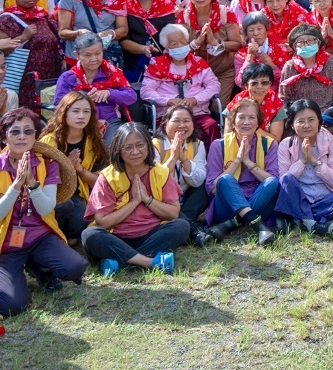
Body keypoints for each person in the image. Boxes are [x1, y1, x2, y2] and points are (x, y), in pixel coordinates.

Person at [0, 108, 85, 316]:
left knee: (75, 267)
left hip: (38, 237)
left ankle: (37, 266)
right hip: (5, 243)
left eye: (28, 131)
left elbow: (46, 208)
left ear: (35, 136)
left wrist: (32, 184)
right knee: (10, 306)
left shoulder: (48, 164)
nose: (22, 137)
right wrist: (16, 185)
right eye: (15, 132)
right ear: (4, 137)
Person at [83, 122, 187, 277]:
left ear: (148, 146)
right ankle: (149, 262)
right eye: (128, 147)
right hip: (116, 237)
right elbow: (103, 222)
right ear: (118, 150)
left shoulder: (161, 172)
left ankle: (120, 260)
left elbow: (173, 213)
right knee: (90, 235)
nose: (135, 152)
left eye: (140, 145)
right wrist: (134, 202)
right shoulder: (108, 177)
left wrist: (147, 199)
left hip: (151, 234)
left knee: (181, 226)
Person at [204, 96, 280, 246]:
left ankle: (232, 223)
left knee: (272, 182)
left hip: (259, 199)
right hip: (227, 203)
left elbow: (273, 180)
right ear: (233, 121)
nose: (246, 122)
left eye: (251, 117)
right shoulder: (219, 145)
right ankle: (259, 227)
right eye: (241, 117)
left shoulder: (269, 144)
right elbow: (212, 188)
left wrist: (248, 162)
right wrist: (237, 160)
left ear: (258, 122)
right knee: (225, 180)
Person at [41, 91, 108, 242]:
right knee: (65, 205)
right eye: (76, 111)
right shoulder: (49, 141)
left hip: (78, 194)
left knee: (84, 219)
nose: (81, 116)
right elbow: (40, 178)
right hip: (51, 193)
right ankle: (47, 237)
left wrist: (80, 170)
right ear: (64, 113)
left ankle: (65, 237)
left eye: (86, 111)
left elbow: (99, 181)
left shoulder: (94, 141)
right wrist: (66, 167)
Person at [274, 98, 333, 236]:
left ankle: (299, 218)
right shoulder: (286, 144)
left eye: (311, 120)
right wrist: (302, 161)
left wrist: (314, 161)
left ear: (319, 121)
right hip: (299, 198)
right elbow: (284, 181)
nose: (306, 125)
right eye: (300, 121)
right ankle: (313, 223)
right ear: (292, 125)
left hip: (325, 199)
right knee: (286, 179)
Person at [141, 24, 220, 143]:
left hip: (196, 113)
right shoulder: (157, 65)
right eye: (174, 44)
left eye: (182, 42)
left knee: (211, 126)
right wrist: (168, 101)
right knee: (168, 130)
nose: (179, 46)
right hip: (168, 115)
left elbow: (214, 85)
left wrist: (195, 99)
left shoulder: (198, 62)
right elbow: (146, 91)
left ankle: (210, 155)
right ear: (166, 47)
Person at [52, 38, 137, 127]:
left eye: (97, 53)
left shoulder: (112, 73)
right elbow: (59, 106)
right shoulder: (67, 78)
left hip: (109, 121)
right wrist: (83, 99)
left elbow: (131, 96)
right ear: (77, 55)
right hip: (79, 123)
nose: (93, 59)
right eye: (87, 55)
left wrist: (109, 93)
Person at [153, 101, 211, 230]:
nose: (182, 125)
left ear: (193, 125)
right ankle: (191, 226)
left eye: (186, 121)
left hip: (186, 195)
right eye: (176, 121)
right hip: (164, 197)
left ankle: (184, 220)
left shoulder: (197, 145)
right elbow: (155, 182)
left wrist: (184, 159)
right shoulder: (155, 145)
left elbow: (198, 180)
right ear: (165, 124)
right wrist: (173, 158)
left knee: (207, 185)